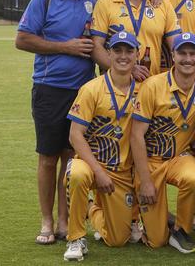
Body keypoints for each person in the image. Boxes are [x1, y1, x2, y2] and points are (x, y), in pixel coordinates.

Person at [15, 0, 104, 245]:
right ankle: (47, 220)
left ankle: (65, 220)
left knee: (71, 159)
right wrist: (66, 46)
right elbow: (23, 39)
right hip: (49, 88)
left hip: (84, 92)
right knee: (48, 158)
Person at [130, 32, 195, 253]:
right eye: (182, 53)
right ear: (172, 55)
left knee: (193, 178)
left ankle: (180, 230)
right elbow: (136, 135)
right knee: (156, 241)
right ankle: (102, 208)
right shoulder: (152, 86)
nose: (188, 59)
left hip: (179, 157)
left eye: (193, 53)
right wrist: (145, 180)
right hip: (150, 161)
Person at [63, 31, 141, 261]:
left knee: (117, 241)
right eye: (117, 50)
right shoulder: (91, 89)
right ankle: (75, 238)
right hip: (91, 165)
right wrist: (98, 171)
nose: (123, 56)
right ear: (108, 53)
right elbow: (75, 136)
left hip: (121, 171)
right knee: (76, 174)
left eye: (129, 51)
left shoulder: (144, 90)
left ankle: (92, 209)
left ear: (137, 55)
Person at [91, 0, 181, 81]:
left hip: (151, 86)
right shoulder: (105, 2)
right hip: (115, 87)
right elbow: (95, 47)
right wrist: (126, 69)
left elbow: (177, 45)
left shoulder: (164, 5)